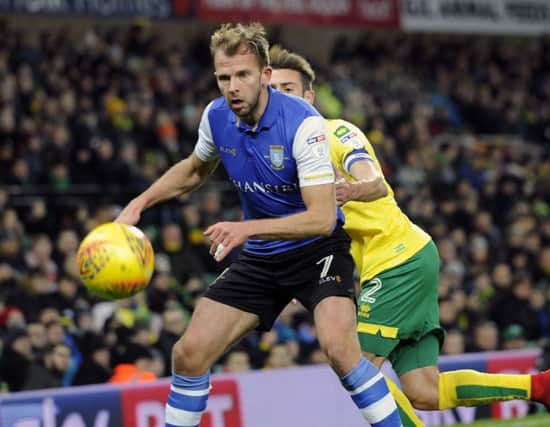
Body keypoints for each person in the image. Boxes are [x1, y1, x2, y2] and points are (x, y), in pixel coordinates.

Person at [269, 44, 550, 427]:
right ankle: (541, 386)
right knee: (424, 390)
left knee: (356, 365)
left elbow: (372, 177)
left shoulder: (335, 132)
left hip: (398, 260)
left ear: (308, 97)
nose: (280, 99)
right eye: (274, 92)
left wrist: (356, 188)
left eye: (289, 89)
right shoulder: (289, 161)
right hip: (396, 263)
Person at [116, 23, 402, 427]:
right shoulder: (216, 117)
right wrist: (139, 204)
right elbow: (196, 169)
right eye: (224, 77)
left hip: (317, 253)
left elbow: (321, 219)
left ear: (265, 75)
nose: (233, 87)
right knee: (188, 353)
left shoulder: (304, 124)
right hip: (263, 257)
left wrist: (246, 230)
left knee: (339, 349)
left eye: (243, 75)